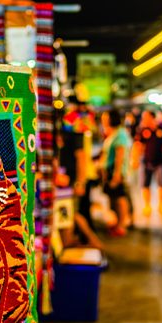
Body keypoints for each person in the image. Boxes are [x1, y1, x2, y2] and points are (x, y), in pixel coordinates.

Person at [57, 98, 103, 249]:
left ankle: (91, 242)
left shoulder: (75, 133)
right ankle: (88, 242)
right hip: (67, 179)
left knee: (72, 212)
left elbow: (81, 157)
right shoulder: (70, 132)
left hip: (72, 180)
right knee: (73, 212)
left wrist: (80, 182)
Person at [132, 110, 162, 217]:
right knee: (145, 185)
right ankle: (147, 205)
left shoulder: (161, 130)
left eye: (146, 118)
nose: (144, 120)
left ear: (152, 118)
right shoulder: (142, 130)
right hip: (146, 162)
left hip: (159, 161)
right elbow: (137, 145)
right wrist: (134, 159)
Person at [101, 108, 132, 237]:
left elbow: (120, 155)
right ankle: (118, 222)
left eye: (105, 117)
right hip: (112, 170)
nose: (103, 120)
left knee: (120, 197)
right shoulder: (115, 133)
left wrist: (117, 174)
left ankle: (121, 225)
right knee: (115, 197)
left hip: (116, 170)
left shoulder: (120, 134)